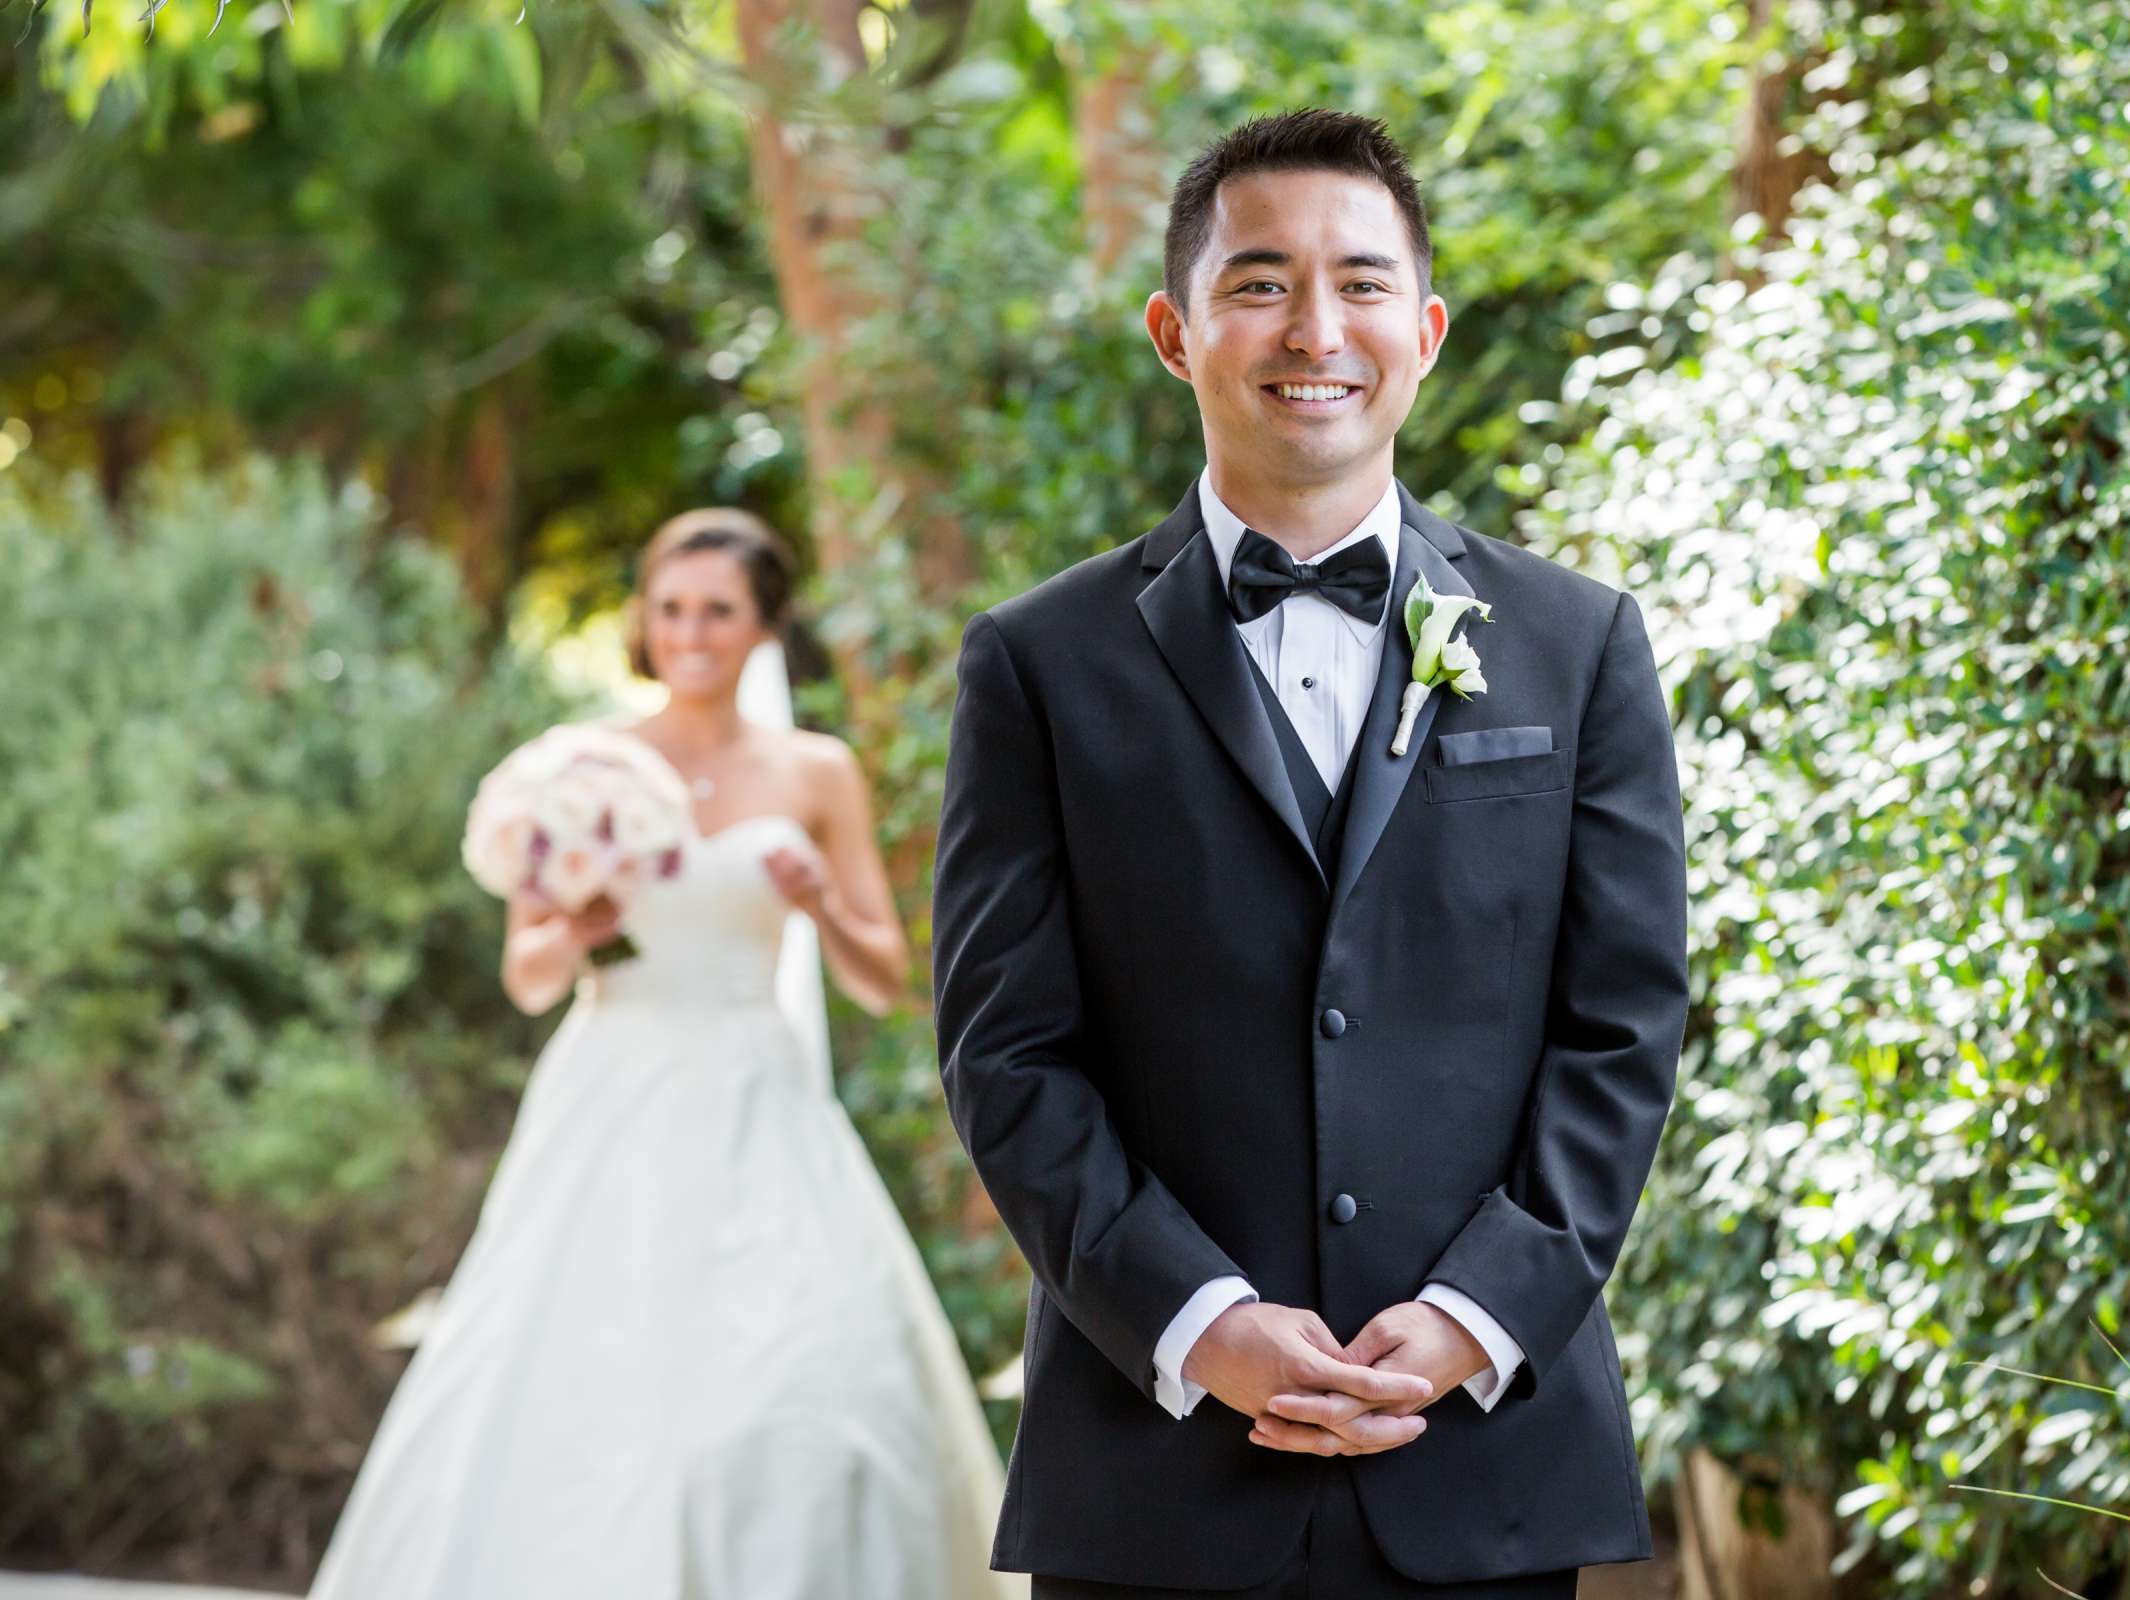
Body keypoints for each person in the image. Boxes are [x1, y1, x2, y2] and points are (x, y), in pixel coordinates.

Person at [930, 109, 1690, 1597]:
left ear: (1426, 326)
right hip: (1157, 1477)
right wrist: (1197, 1318)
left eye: (1359, 281)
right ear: (1176, 330)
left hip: (1481, 1462)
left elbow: (1624, 1023)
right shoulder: (1037, 664)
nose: (1315, 329)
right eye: (1261, 283)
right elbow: (1007, 1053)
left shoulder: (1576, 646)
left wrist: (1480, 1310)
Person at [310, 508, 1023, 1600]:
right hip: (613, 1094)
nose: (691, 633)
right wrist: (585, 921)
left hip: (760, 1093)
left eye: (719, 612)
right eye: (671, 608)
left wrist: (822, 902)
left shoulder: (816, 770)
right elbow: (530, 975)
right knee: (578, 1370)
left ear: (763, 628)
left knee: (807, 1384)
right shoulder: (584, 766)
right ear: (645, 620)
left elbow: (884, 980)